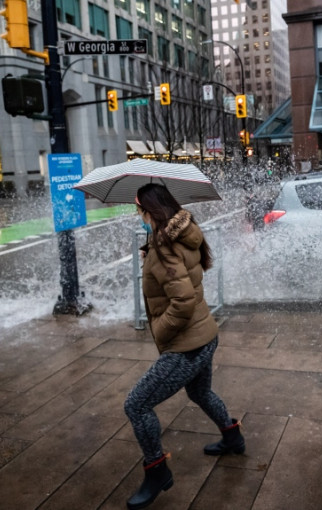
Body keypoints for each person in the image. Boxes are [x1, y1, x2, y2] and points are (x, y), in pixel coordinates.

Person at [124, 183, 245, 510]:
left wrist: (161, 333)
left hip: (187, 344)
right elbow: (185, 278)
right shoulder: (180, 235)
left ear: (151, 211)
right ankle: (233, 437)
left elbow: (182, 300)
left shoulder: (165, 247)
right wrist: (152, 256)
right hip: (206, 334)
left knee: (136, 405)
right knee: (199, 392)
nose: (139, 216)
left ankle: (156, 471)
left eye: (140, 211)